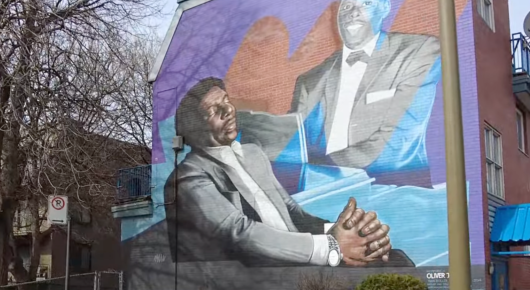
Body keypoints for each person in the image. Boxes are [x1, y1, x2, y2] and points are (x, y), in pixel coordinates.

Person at [168, 77, 413, 268]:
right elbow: (240, 232)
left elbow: (293, 212)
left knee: (392, 257)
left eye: (227, 100)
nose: (228, 110)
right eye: (213, 110)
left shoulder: (253, 154)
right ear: (195, 128)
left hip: (300, 257)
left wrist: (347, 232)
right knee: (391, 267)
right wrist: (332, 245)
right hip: (261, 271)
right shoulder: (189, 177)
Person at [289, 0, 441, 181]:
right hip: (317, 197)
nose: (354, 12)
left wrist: (322, 169)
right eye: (347, 6)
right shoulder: (310, 80)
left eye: (366, 3)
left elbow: (398, 143)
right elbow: (293, 147)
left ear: (385, 8)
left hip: (392, 193)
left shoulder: (418, 52)